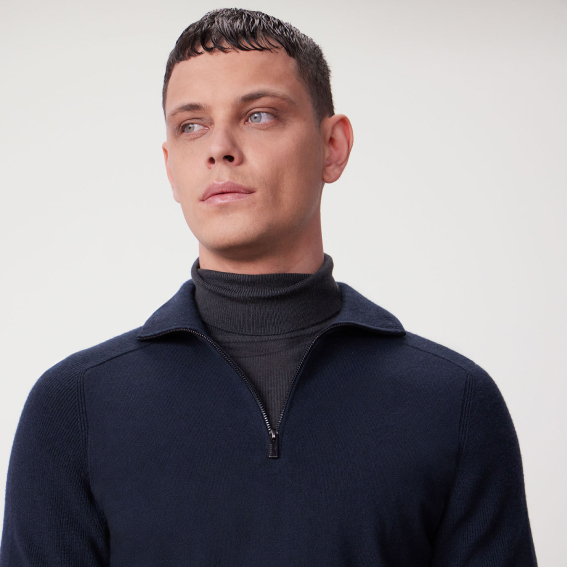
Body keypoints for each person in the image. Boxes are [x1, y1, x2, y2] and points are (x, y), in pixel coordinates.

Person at [0, 8, 537, 566]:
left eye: (259, 115)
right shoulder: (74, 410)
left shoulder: (454, 402)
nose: (220, 148)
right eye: (191, 125)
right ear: (171, 167)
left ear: (333, 146)